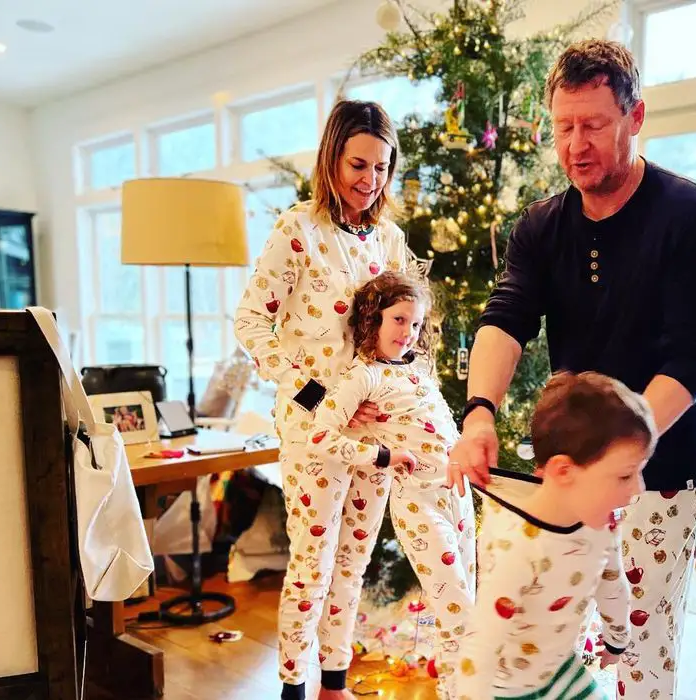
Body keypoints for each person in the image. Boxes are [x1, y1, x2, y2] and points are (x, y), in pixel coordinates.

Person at [446, 39, 696, 700]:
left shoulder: (687, 214)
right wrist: (480, 412)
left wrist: (622, 450)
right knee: (565, 638)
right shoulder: (543, 225)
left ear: (635, 117)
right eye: (564, 127)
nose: (576, 144)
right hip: (571, 480)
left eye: (595, 125)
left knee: (642, 643)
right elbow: (506, 316)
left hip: (658, 470)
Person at [234, 99, 413, 700]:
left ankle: (333, 682)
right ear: (331, 158)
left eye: (382, 168)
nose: (370, 181)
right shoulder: (298, 231)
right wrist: (318, 397)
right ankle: (291, 686)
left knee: (353, 563)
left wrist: (393, 398)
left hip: (375, 427)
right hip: (313, 429)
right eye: (358, 164)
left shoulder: (390, 239)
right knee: (312, 565)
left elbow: (408, 332)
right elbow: (252, 324)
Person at [305, 271, 477, 700]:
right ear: (374, 319)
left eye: (415, 324)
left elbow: (440, 424)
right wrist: (382, 457)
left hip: (457, 491)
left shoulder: (419, 366)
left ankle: (459, 690)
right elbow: (321, 436)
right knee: (459, 611)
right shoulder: (363, 377)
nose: (408, 332)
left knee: (463, 605)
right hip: (418, 503)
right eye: (399, 320)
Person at [455, 371, 656, 700]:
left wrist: (617, 638)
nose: (638, 490)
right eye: (624, 475)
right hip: (505, 690)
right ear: (564, 471)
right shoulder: (519, 550)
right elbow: (481, 646)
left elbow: (611, 581)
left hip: (560, 670)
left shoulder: (602, 524)